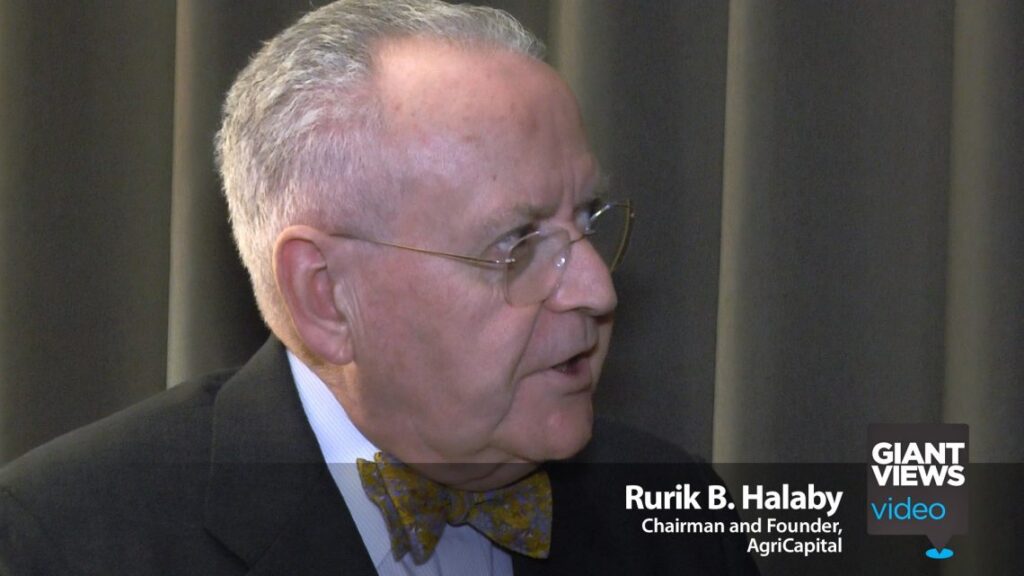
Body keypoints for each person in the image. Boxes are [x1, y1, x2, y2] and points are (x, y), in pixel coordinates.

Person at [0, 1, 757, 574]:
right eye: (518, 244)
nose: (596, 289)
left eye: (586, 220)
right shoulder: (64, 541)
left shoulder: (676, 515)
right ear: (326, 296)